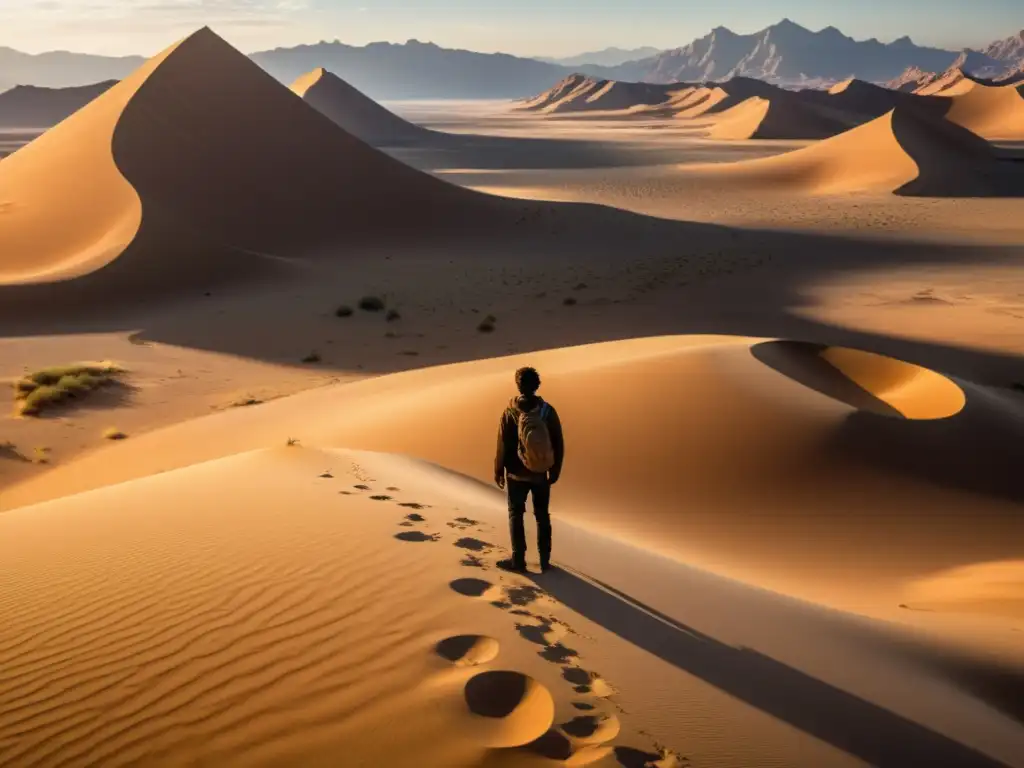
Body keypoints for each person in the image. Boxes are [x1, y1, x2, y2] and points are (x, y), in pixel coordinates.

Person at [494, 366, 564, 573]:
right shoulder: (547, 411)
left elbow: (503, 443)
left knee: (516, 513)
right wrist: (556, 468)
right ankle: (545, 561)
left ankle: (518, 561)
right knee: (542, 515)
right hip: (541, 474)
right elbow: (558, 442)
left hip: (516, 474)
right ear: (537, 386)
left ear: (518, 385)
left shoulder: (510, 411)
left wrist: (498, 469)